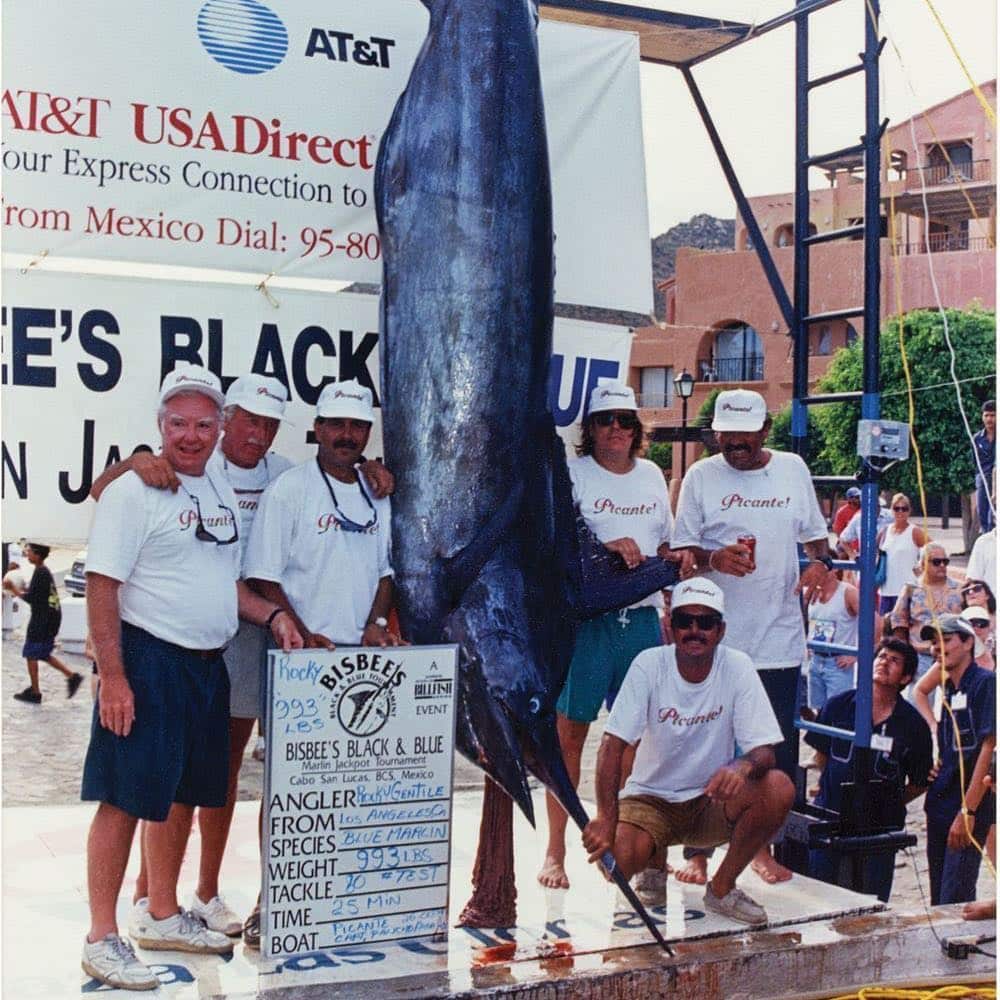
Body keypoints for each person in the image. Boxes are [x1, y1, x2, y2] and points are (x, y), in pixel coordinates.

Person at [90, 374, 395, 948]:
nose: (255, 432)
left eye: (267, 422)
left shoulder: (266, 477)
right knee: (146, 783)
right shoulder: (170, 471)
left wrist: (283, 620)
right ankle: (146, 902)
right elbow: (103, 515)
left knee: (205, 777)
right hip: (170, 642)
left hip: (247, 628)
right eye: (246, 419)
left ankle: (190, 897)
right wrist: (133, 464)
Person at [79, 367, 303, 992]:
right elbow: (103, 584)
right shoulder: (135, 489)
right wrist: (114, 676)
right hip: (150, 661)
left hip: (207, 667)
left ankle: (162, 912)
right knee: (124, 797)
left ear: (220, 427)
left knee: (180, 793)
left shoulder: (219, 493)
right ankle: (101, 937)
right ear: (159, 426)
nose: (192, 435)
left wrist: (275, 614)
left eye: (205, 424)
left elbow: (225, 584)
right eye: (178, 423)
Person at [671, 388, 832, 884]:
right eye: (727, 434)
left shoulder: (792, 469)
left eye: (745, 433)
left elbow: (817, 540)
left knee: (770, 753)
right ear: (715, 433)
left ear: (765, 431)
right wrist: (714, 558)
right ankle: (697, 853)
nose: (736, 443)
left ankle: (758, 848)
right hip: (714, 639)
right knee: (707, 746)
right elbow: (681, 553)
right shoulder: (700, 475)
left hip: (778, 639)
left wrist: (820, 566)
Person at [537, 380, 691, 890]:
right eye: (606, 420)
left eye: (626, 420)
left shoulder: (651, 475)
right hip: (587, 624)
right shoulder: (573, 474)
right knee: (569, 737)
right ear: (590, 429)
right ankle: (556, 850)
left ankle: (636, 846)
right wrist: (607, 546)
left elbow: (665, 546)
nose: (617, 430)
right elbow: (563, 545)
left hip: (642, 621)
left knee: (641, 744)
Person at [580, 578, 794, 926]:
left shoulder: (737, 666)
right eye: (685, 621)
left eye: (706, 622)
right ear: (670, 625)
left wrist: (741, 765)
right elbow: (611, 745)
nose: (695, 630)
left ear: (721, 630)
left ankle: (723, 888)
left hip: (708, 799)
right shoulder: (649, 664)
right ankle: (652, 863)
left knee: (779, 786)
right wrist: (606, 817)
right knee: (614, 863)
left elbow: (765, 751)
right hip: (649, 799)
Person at [244, 378, 401, 654]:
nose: (347, 435)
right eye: (337, 424)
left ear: (368, 432)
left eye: (358, 426)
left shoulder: (377, 493)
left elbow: (385, 573)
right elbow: (263, 577)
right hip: (301, 652)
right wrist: (303, 634)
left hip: (365, 654)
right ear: (318, 428)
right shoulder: (287, 489)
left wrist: (377, 623)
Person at [805, 638, 932, 901]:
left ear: (906, 677)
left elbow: (920, 781)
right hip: (831, 815)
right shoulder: (839, 705)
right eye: (881, 656)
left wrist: (888, 801)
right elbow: (821, 754)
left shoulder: (913, 725)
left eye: (894, 660)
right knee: (819, 895)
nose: (884, 662)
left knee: (871, 899)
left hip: (879, 826)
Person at [918, 615, 995, 906]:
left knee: (956, 896)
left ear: (967, 643)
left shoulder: (986, 684)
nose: (938, 648)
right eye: (934, 643)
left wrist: (968, 811)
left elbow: (988, 749)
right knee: (939, 895)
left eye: (945, 640)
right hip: (941, 801)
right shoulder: (949, 686)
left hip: (966, 803)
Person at [6, 542, 83, 703]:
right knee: (42, 653)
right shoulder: (42, 572)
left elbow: (33, 599)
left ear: (38, 554)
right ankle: (72, 676)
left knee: (31, 653)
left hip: (43, 620)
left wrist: (14, 590)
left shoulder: (41, 573)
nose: (27, 554)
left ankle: (35, 692)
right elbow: (37, 593)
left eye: (30, 551)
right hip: (49, 618)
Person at [891, 543, 963, 692]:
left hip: (951, 657)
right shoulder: (912, 589)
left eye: (945, 561)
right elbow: (899, 620)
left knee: (954, 704)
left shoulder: (959, 589)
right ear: (923, 564)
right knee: (917, 703)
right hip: (921, 657)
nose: (942, 565)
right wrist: (906, 654)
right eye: (936, 562)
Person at [806, 567, 859, 713]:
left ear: (834, 569)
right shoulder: (812, 593)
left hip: (837, 663)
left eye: (823, 567)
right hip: (816, 660)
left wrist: (855, 654)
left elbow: (875, 623)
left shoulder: (848, 592)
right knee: (819, 712)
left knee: (838, 714)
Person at [877, 493, 929, 615]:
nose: (900, 512)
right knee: (885, 629)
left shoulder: (915, 531)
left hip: (907, 591)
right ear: (891, 510)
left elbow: (933, 549)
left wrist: (922, 566)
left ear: (909, 511)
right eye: (896, 508)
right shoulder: (885, 530)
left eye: (904, 508)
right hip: (886, 590)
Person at [961, 580, 995, 670]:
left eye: (977, 588)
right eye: (966, 591)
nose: (971, 592)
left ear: (987, 595)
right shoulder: (960, 621)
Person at [973, 400, 995, 534]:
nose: (989, 419)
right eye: (986, 415)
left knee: (993, 515)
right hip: (983, 478)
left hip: (997, 479)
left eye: (992, 415)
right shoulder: (977, 438)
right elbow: (975, 462)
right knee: (982, 511)